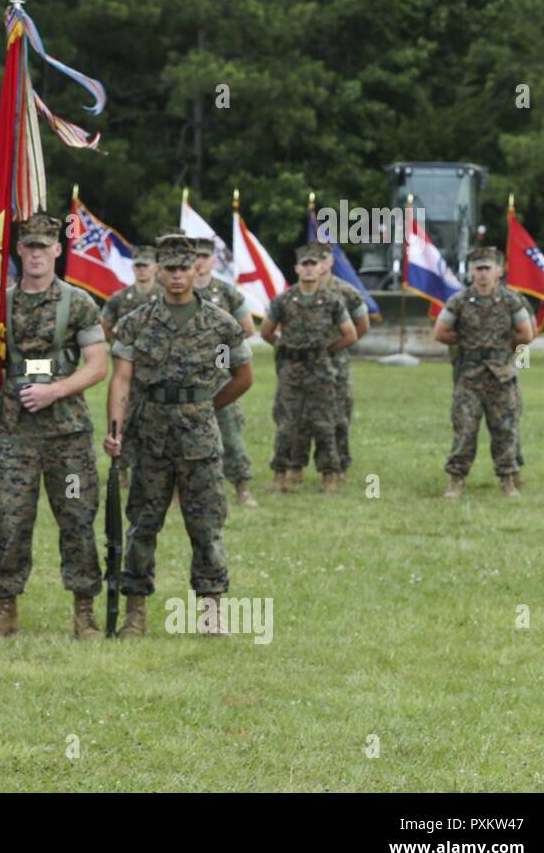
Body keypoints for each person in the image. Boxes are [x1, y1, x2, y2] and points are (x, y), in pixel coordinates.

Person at [104, 233, 254, 637]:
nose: (175, 276)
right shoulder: (136, 323)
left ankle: (211, 612)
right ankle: (135, 613)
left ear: (196, 270)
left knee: (205, 527)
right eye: (168, 268)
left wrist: (206, 407)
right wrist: (115, 428)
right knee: (142, 525)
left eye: (183, 268)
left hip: (199, 442)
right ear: (157, 271)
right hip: (149, 436)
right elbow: (121, 379)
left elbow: (243, 377)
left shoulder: (220, 324)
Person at [0, 214, 108, 639]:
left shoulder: (79, 303)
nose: (35, 254)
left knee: (76, 517)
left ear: (57, 250)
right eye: (28, 246)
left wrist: (56, 391)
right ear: (18, 250)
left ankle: (84, 610)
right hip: (14, 436)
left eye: (43, 247)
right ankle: (6, 608)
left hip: (67, 437)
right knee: (12, 520)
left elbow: (98, 365)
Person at [434, 246, 533, 498]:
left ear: (498, 271)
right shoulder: (459, 301)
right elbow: (441, 332)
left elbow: (525, 334)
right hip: (469, 376)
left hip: (501, 376)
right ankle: (456, 480)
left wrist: (501, 350)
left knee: (505, 429)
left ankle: (508, 479)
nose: (482, 274)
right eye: (477, 269)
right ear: (470, 272)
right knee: (464, 428)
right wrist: (468, 343)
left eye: (487, 268)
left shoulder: (511, 300)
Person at [259, 242, 357, 493]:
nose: (310, 269)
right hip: (291, 369)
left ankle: (329, 475)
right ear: (297, 269)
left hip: (321, 369)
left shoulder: (332, 301)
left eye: (314, 264)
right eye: (305, 264)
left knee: (325, 423)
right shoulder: (283, 300)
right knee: (287, 424)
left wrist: (327, 350)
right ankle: (281, 474)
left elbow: (350, 333)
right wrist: (283, 346)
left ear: (321, 268)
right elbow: (266, 331)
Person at [190, 236, 258, 507]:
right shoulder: (177, 291)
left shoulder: (227, 293)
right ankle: (175, 491)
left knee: (229, 433)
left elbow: (247, 328)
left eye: (204, 257)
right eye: (195, 257)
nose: (199, 262)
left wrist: (221, 345)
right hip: (185, 374)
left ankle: (242, 486)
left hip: (219, 376)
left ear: (213, 261)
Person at [315, 250, 370, 481]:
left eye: (322, 259)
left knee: (339, 416)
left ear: (330, 261)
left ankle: (341, 465)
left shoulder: (347, 292)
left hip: (337, 364)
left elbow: (362, 326)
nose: (317, 265)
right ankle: (295, 466)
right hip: (304, 365)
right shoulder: (297, 292)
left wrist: (335, 347)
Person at [100, 243, 160, 343]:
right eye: (138, 265)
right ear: (132, 267)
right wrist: (117, 344)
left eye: (145, 265)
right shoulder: (119, 297)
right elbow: (104, 327)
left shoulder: (166, 296)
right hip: (125, 353)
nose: (141, 269)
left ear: (156, 268)